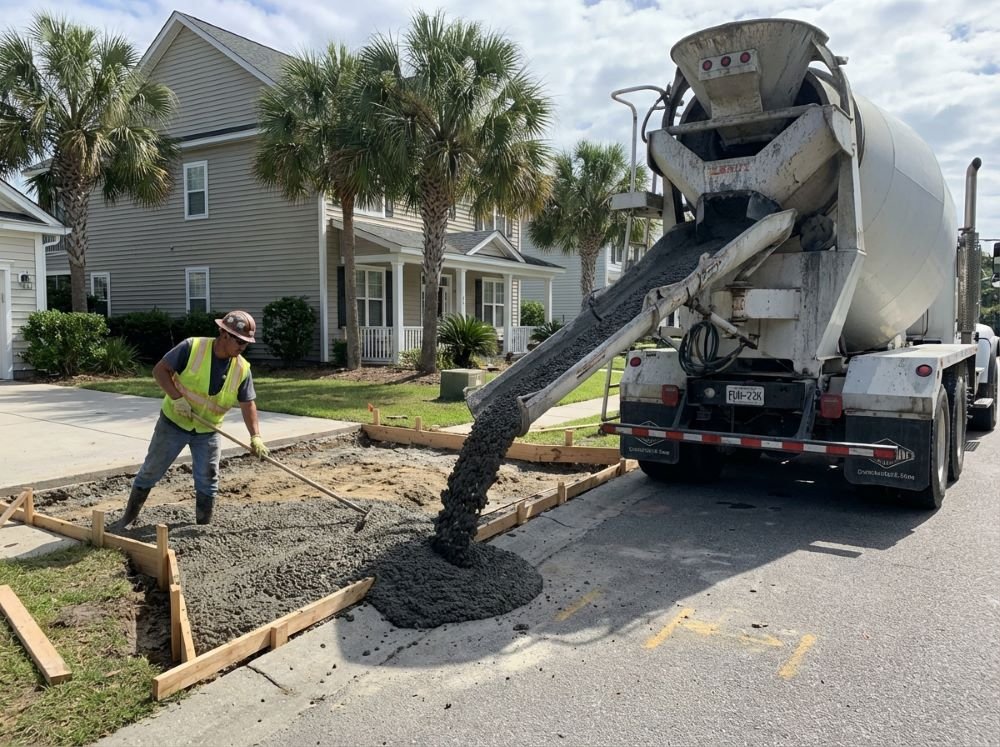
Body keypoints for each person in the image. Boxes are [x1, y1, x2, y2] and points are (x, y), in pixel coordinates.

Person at [119, 310, 269, 527]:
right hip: (173, 424)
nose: (242, 347)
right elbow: (160, 371)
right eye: (239, 341)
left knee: (208, 481)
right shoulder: (192, 347)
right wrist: (177, 398)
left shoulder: (242, 368)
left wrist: (256, 436)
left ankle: (202, 527)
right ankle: (127, 519)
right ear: (224, 333)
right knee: (151, 471)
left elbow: (248, 403)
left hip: (208, 432)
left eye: (246, 343)